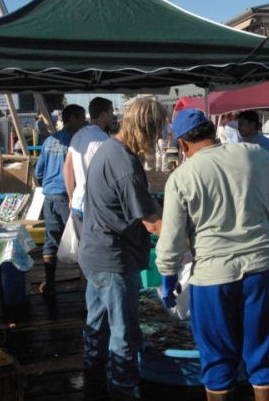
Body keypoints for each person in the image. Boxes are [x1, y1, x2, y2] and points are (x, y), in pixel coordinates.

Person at [156, 109, 269, 401]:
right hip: (262, 269)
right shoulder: (250, 153)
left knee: (217, 360)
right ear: (212, 133)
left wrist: (167, 276)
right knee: (264, 353)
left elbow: (172, 239)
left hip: (213, 279)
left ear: (183, 144)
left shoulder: (182, 176)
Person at [78, 97, 165, 400]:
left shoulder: (109, 148)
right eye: (156, 132)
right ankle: (124, 389)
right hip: (114, 259)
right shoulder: (125, 163)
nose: (157, 140)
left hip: (93, 253)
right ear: (146, 129)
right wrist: (189, 243)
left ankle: (92, 377)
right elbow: (152, 223)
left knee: (96, 324)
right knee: (124, 334)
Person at [35, 104, 87, 296]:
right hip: (67, 197)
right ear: (72, 118)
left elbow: (38, 171)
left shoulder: (49, 141)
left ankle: (49, 283)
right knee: (80, 240)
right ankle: (87, 289)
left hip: (48, 196)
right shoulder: (75, 141)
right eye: (81, 118)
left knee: (51, 240)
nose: (84, 123)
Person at [237, 109, 269, 266]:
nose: (239, 127)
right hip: (251, 201)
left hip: (268, 200)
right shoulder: (241, 144)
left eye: (242, 124)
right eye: (239, 124)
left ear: (253, 125)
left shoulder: (263, 144)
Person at [64, 97, 113, 238]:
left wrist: (71, 196)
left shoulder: (78, 135)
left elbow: (68, 168)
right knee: (97, 251)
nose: (113, 116)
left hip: (77, 202)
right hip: (95, 205)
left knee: (82, 249)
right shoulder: (102, 139)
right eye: (111, 112)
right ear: (103, 114)